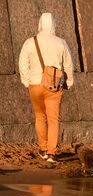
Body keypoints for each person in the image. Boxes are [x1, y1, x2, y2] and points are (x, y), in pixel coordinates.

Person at [18, 13, 74, 163]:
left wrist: (26, 81)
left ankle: (42, 149)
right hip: (53, 86)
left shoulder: (30, 42)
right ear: (53, 24)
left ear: (40, 24)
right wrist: (68, 82)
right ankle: (51, 153)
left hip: (35, 84)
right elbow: (68, 64)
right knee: (53, 119)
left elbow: (22, 63)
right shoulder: (61, 42)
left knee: (39, 117)